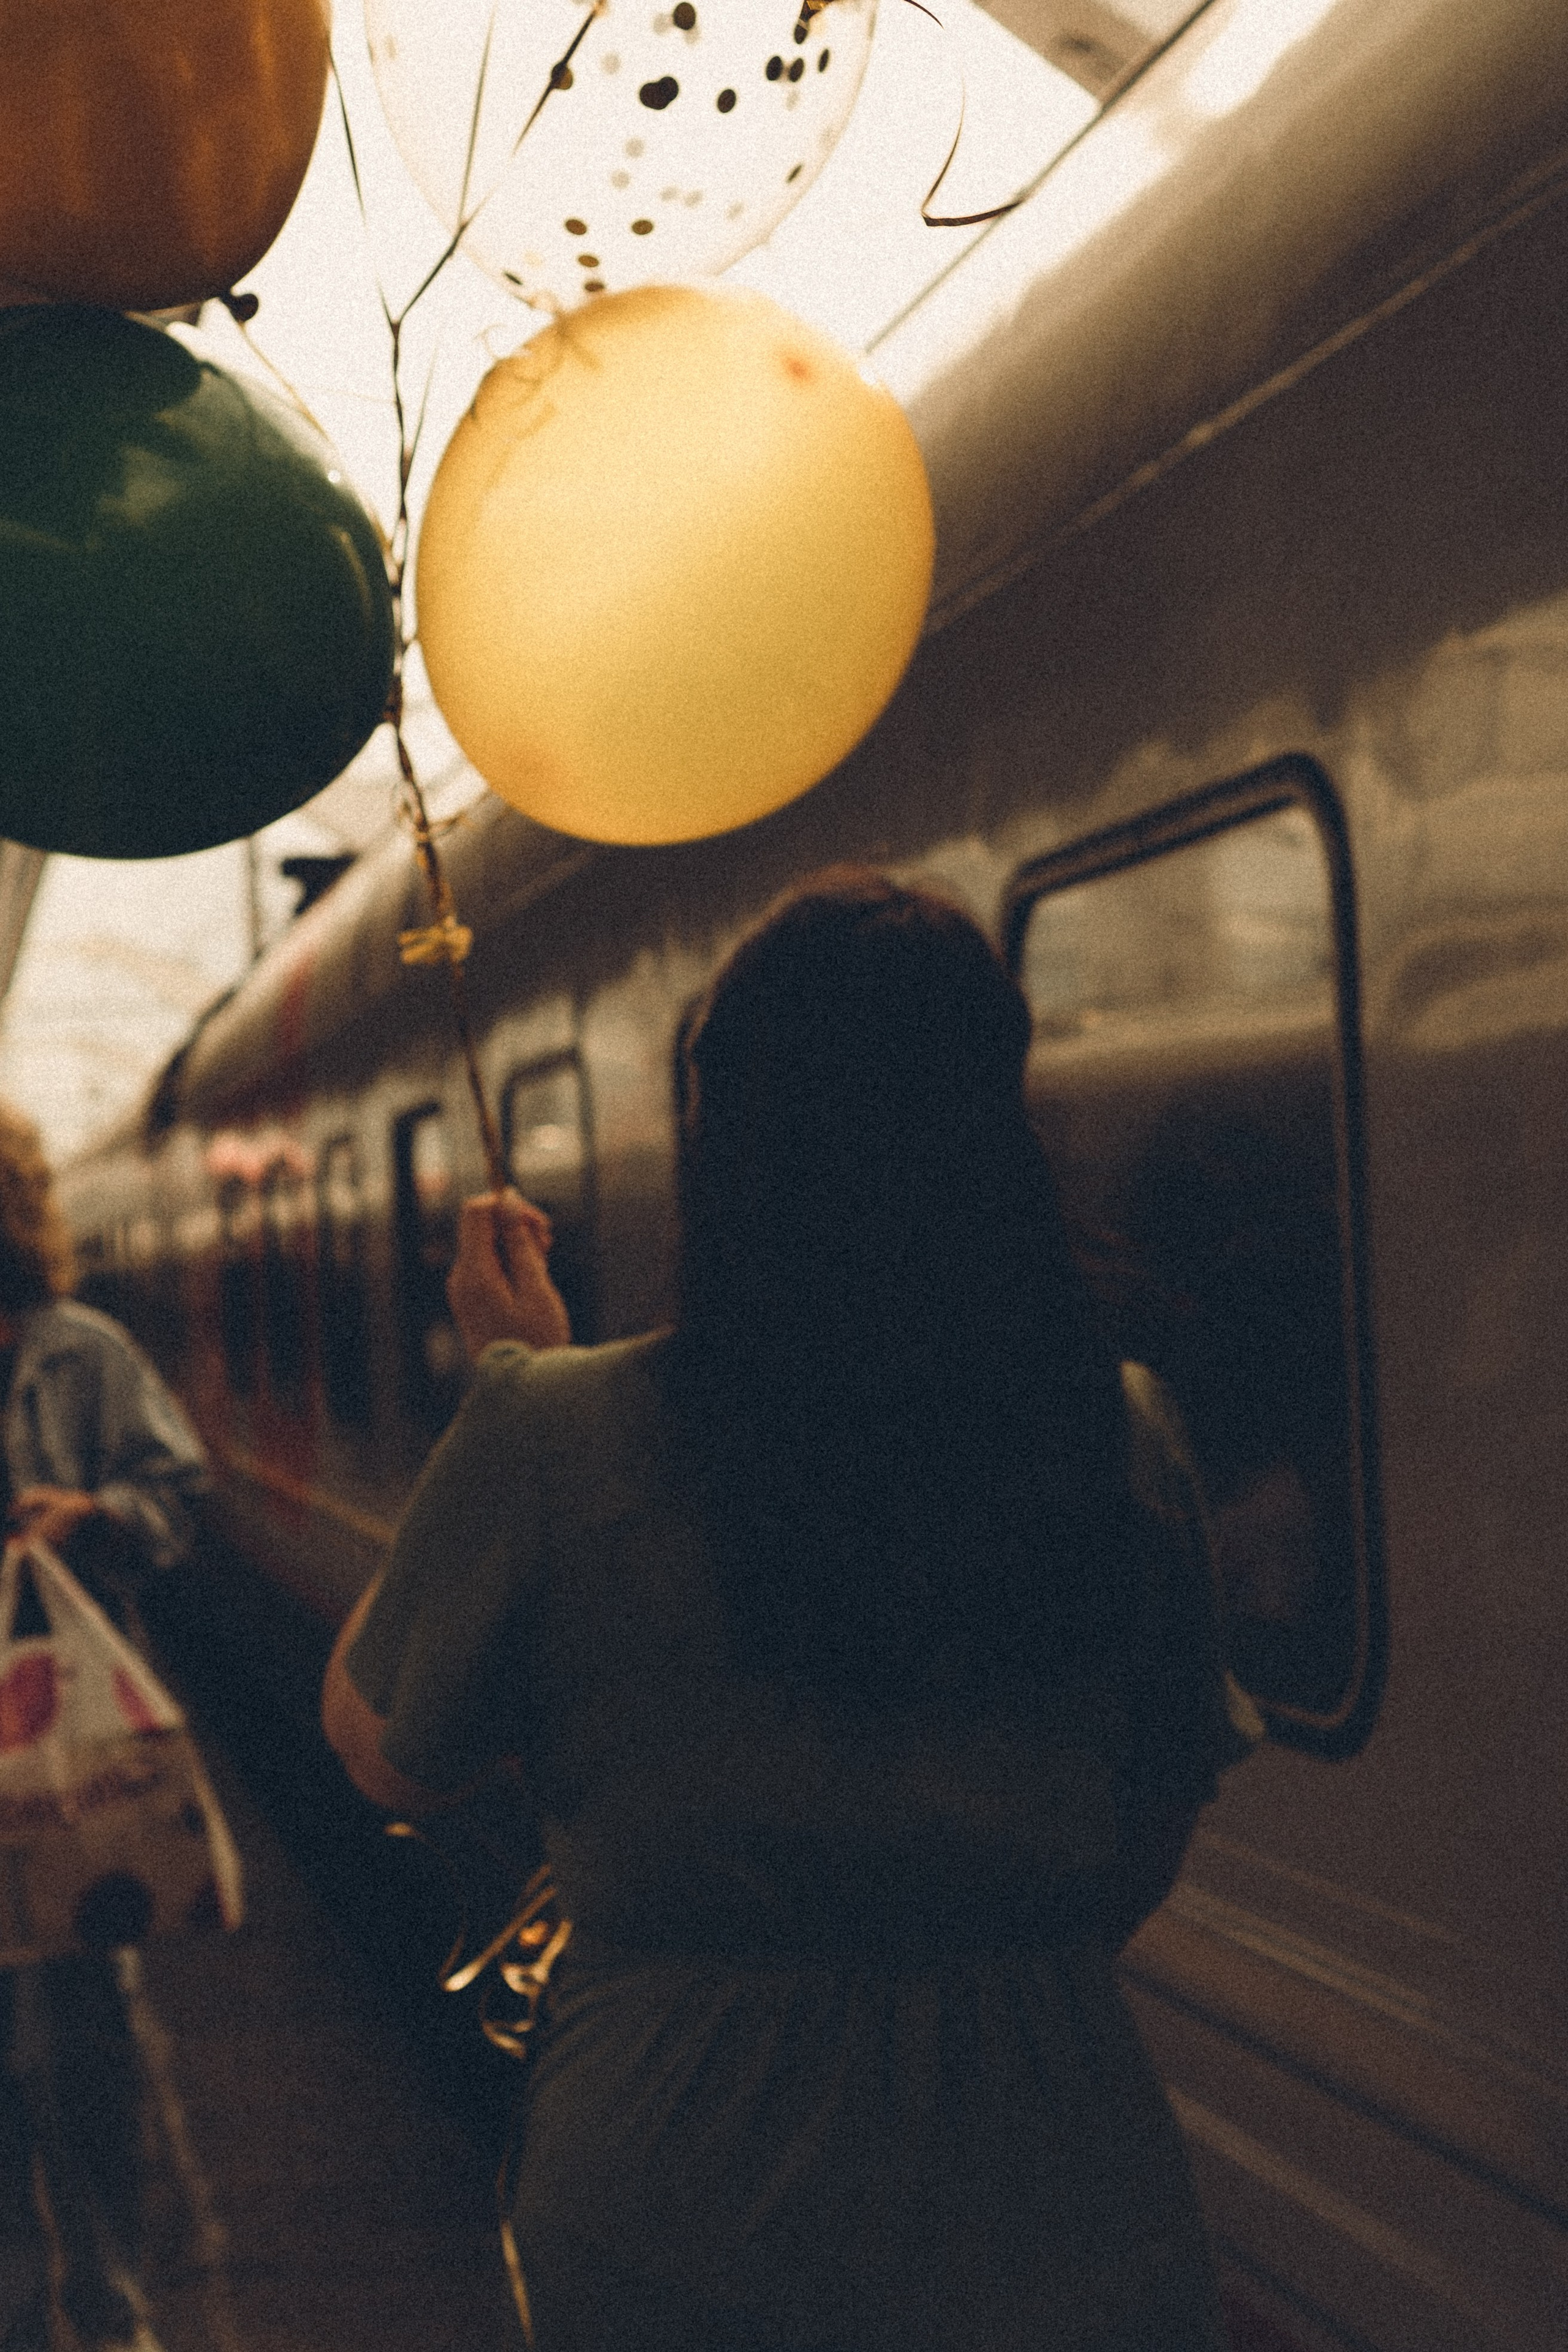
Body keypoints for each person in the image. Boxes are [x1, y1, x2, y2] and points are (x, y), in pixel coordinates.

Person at [323, 870, 1259, 2352]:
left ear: (723, 1136)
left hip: (677, 2216)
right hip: (1062, 2202)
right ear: (993, 1132)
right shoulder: (1118, 1431)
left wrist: (497, 1401)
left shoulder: (552, 1435)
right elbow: (1142, 1830)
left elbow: (387, 1753)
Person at [0, 1103, 208, 2352]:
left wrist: (99, 1512)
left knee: (89, 2042)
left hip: (69, 1752)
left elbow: (178, 1489)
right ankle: (21, 2307)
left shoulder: (86, 1354)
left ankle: (110, 2298)